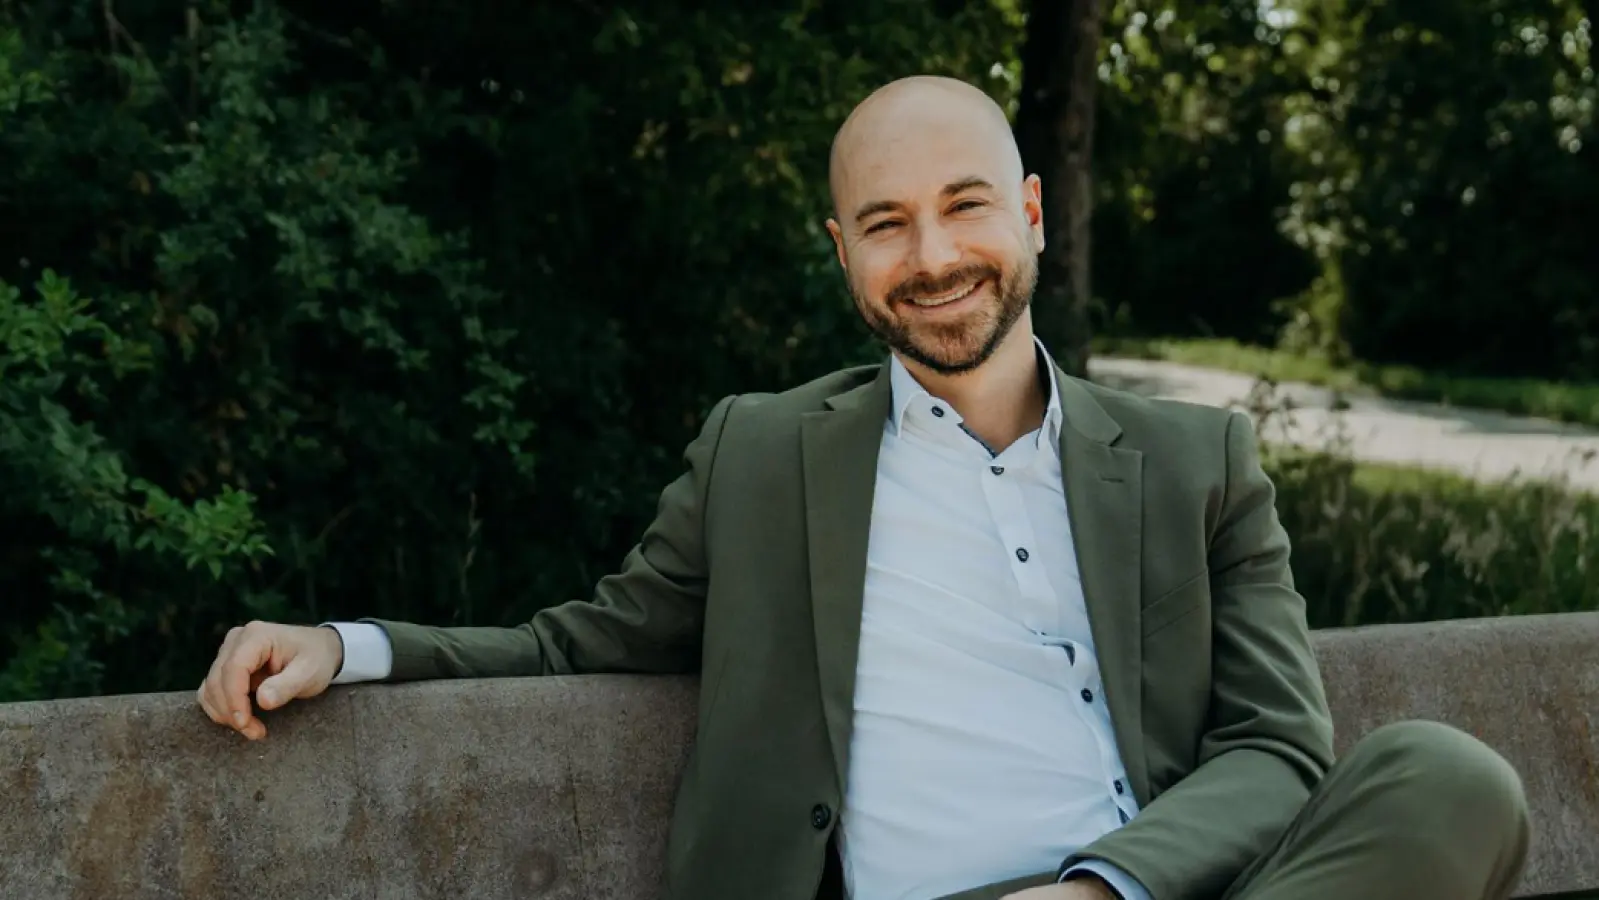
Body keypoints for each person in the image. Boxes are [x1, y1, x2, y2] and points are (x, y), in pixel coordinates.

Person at [196, 75, 1530, 900]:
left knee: (1448, 780)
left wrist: (1095, 892)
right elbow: (577, 644)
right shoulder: (764, 453)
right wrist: (343, 645)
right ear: (843, 254)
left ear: (1031, 213)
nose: (933, 253)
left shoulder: (1195, 462)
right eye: (886, 224)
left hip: (1160, 890)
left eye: (963, 207)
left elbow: (1278, 748)